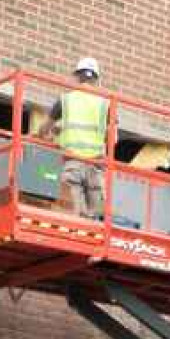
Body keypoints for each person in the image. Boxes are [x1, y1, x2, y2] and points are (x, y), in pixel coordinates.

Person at [38, 56, 111, 220]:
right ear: (96, 79)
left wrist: (54, 134)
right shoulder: (106, 104)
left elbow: (43, 130)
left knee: (71, 217)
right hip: (96, 167)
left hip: (72, 165)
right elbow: (113, 139)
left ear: (77, 76)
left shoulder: (65, 100)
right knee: (94, 222)